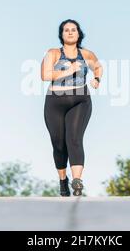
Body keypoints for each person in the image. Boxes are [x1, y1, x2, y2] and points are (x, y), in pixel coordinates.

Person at [41, 19, 103, 196]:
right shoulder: (53, 53)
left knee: (74, 139)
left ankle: (77, 181)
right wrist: (69, 70)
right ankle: (63, 180)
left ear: (78, 33)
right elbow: (44, 75)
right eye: (66, 30)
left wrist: (97, 79)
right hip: (55, 102)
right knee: (59, 144)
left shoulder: (86, 54)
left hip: (80, 100)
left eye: (73, 30)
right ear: (61, 34)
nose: (70, 32)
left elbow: (98, 67)